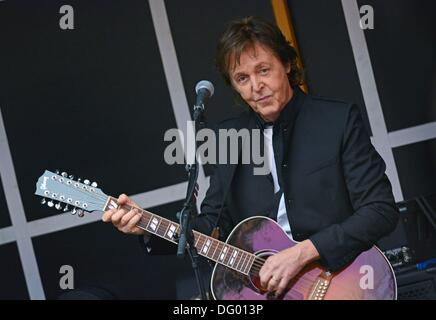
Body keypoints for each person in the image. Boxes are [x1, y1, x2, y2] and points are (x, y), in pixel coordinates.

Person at [102, 16, 398, 298]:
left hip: (341, 282)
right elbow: (210, 227)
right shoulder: (227, 140)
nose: (256, 86)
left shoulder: (337, 120)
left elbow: (380, 210)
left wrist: (303, 252)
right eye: (242, 78)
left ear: (287, 65)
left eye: (264, 70)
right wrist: (145, 227)